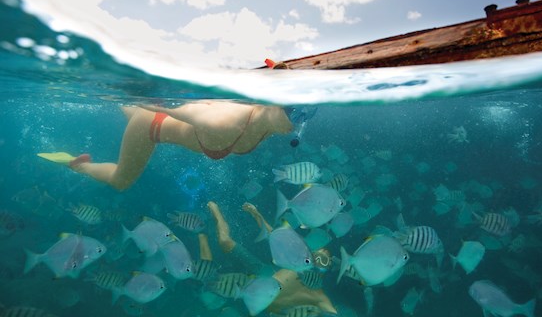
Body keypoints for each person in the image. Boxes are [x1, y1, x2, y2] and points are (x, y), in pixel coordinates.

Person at [39, 101, 293, 191]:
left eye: (309, 112)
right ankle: (79, 167)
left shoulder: (275, 123)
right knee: (120, 181)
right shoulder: (223, 121)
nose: (303, 118)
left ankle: (128, 107)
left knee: (137, 110)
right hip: (151, 127)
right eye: (297, 110)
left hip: (169, 119)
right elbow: (162, 106)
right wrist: (113, 89)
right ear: (275, 103)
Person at [207, 201, 338, 315]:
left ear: (328, 267)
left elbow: (332, 313)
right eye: (316, 257)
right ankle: (216, 212)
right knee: (224, 242)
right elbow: (274, 235)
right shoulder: (297, 261)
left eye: (323, 261)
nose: (317, 262)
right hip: (262, 275)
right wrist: (257, 214)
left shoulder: (320, 297)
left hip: (261, 310)